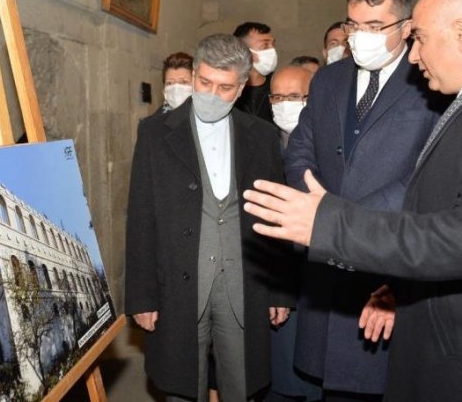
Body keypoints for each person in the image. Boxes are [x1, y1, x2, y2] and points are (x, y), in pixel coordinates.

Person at [243, 0, 462, 401]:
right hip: (431, 335)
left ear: (461, 35)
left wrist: (332, 222)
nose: (414, 56)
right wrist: (398, 286)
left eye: (419, 38)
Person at [284, 0, 442, 402]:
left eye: (375, 27)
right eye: (354, 25)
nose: (361, 37)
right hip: (324, 273)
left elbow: (426, 176)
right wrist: (315, 206)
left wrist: (345, 220)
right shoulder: (328, 80)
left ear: (407, 28)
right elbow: (299, 151)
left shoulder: (430, 81)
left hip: (387, 269)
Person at [125, 34, 296, 401]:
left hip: (243, 285)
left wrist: (279, 288)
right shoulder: (154, 134)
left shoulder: (262, 137)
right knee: (182, 385)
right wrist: (141, 295)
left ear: (240, 89)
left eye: (224, 88)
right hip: (179, 285)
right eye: (204, 83)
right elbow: (140, 216)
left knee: (243, 383)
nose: (211, 94)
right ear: (194, 75)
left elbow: (276, 217)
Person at [266, 64, 324, 402]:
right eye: (278, 97)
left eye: (294, 96)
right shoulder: (259, 143)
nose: (285, 104)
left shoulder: (330, 147)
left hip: (320, 284)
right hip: (277, 286)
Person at [233, 21, 277, 123]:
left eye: (273, 44)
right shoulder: (229, 89)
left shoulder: (278, 86)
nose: (273, 50)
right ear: (245, 51)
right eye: (265, 45)